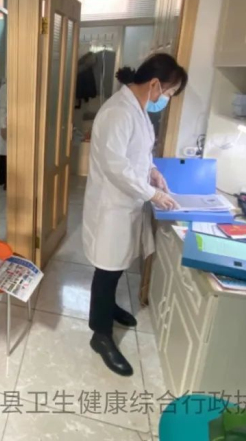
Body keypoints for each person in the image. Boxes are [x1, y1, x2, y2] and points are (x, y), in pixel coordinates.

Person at [82, 53, 187, 377]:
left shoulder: (136, 109)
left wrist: (152, 171)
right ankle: (100, 335)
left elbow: (138, 152)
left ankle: (110, 308)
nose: (166, 99)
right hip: (112, 207)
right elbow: (116, 166)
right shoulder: (118, 112)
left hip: (126, 204)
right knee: (107, 268)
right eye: (169, 93)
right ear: (155, 84)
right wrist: (152, 193)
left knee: (116, 266)